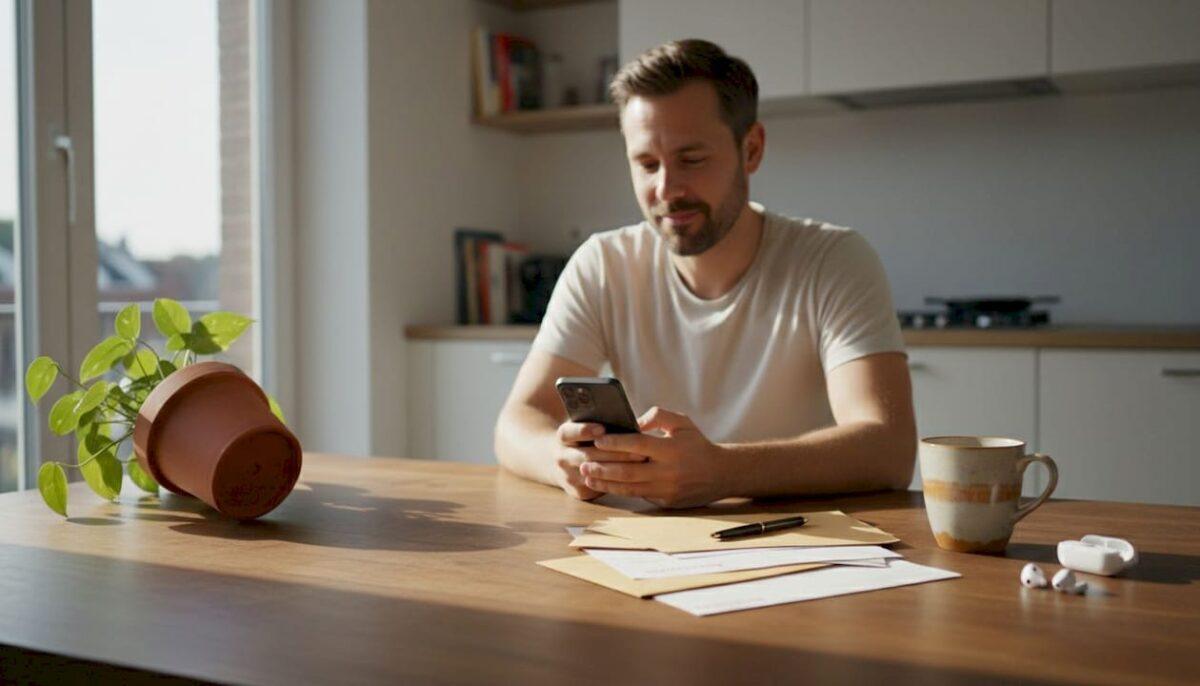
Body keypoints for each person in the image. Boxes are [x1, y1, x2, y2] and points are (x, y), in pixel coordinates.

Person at [494, 39, 916, 508]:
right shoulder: (603, 264)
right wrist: (562, 461)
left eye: (691, 160)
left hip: (801, 542)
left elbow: (888, 449)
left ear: (751, 149)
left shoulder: (833, 260)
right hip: (652, 549)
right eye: (647, 164)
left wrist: (722, 471)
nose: (666, 189)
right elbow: (517, 422)